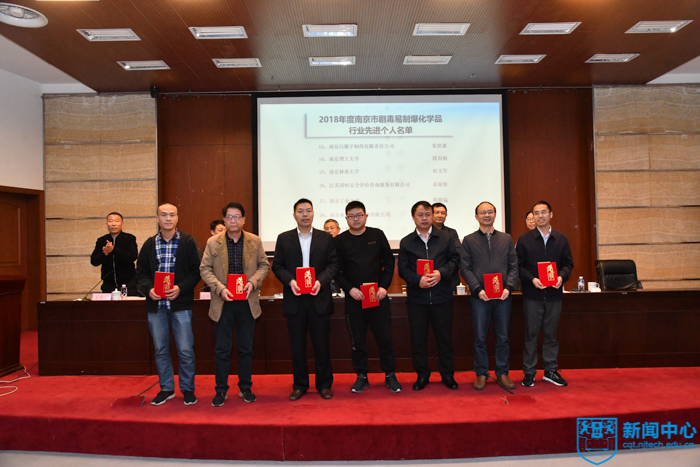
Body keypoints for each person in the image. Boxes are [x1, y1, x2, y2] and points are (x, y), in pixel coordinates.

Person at [200, 202, 270, 407]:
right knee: (222, 349)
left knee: (246, 348)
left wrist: (253, 282)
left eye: (237, 216)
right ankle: (221, 390)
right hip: (224, 301)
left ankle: (245, 387)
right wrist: (220, 288)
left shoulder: (254, 241)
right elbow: (205, 269)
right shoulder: (213, 242)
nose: (233, 220)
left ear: (244, 220)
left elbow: (264, 265)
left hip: (247, 301)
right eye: (229, 217)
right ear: (224, 219)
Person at [271, 198, 339, 401]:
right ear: (294, 215)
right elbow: (277, 266)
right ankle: (300, 385)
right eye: (300, 211)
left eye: (308, 210)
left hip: (319, 297)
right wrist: (290, 281)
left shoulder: (325, 238)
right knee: (297, 345)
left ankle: (324, 384)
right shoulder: (284, 238)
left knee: (322, 345)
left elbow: (333, 264)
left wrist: (320, 281)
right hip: (296, 298)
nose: (305, 214)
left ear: (313, 213)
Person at [135, 203, 201, 406]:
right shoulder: (149, 244)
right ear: (157, 218)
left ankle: (187, 389)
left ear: (177, 218)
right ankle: (166, 389)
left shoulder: (187, 242)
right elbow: (141, 273)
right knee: (161, 350)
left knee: (185, 350)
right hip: (157, 307)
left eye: (172, 215)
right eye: (163, 215)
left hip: (180, 305)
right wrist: (149, 289)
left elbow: (196, 272)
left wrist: (180, 288)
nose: (168, 218)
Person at [335, 201, 401, 393]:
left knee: (385, 338)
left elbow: (389, 262)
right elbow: (336, 270)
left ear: (366, 216)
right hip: (354, 298)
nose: (356, 219)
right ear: (346, 218)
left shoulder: (377, 235)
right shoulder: (340, 241)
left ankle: (390, 375)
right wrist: (349, 289)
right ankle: (361, 376)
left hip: (378, 297)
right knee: (357, 341)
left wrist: (384, 287)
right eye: (351, 216)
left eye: (359, 215)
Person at [398, 201, 460, 391]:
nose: (424, 218)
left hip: (442, 297)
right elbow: (403, 269)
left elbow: (455, 260)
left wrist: (441, 273)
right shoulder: (406, 242)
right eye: (420, 215)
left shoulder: (446, 237)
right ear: (413, 217)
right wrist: (417, 280)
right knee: (418, 340)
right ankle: (422, 375)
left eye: (427, 214)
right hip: (417, 300)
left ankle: (447, 375)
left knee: (445, 339)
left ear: (432, 216)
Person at [460, 202, 518, 391]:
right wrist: (477, 289)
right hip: (480, 297)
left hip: (503, 296)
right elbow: (465, 268)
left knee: (503, 337)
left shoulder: (506, 238)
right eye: (482, 212)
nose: (486, 215)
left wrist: (508, 287)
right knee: (479, 337)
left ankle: (502, 372)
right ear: (476, 216)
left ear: (495, 215)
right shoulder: (468, 240)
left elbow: (513, 266)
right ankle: (481, 373)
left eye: (490, 212)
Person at [516, 201, 574, 388]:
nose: (540, 216)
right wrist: (532, 279)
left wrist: (561, 277)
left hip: (554, 295)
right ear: (532, 216)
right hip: (532, 295)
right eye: (536, 213)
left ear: (551, 214)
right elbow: (518, 266)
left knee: (551, 335)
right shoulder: (524, 239)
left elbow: (568, 264)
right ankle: (529, 372)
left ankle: (550, 371)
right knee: (531, 335)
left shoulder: (561, 238)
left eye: (543, 212)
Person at [90, 212, 138, 295]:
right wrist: (104, 253)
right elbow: (94, 261)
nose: (113, 224)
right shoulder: (102, 240)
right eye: (111, 221)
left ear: (122, 224)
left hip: (128, 283)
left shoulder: (129, 238)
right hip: (108, 284)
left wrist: (114, 250)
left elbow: (132, 257)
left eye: (116, 221)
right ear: (107, 224)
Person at [432, 203, 461, 291]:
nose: (440, 215)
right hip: (431, 276)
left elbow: (458, 252)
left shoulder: (452, 233)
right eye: (437, 213)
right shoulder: (425, 232)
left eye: (443, 213)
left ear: (446, 215)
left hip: (449, 276)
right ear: (431, 214)